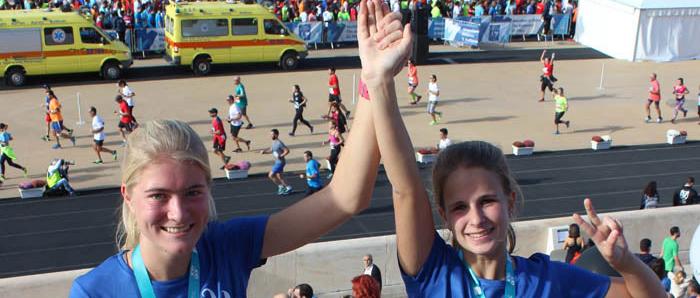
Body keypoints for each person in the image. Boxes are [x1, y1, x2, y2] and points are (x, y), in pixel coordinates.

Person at [355, 1, 665, 296]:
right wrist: (379, 81)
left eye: (487, 200)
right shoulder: (432, 270)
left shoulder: (549, 280)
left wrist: (627, 263)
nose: (476, 218)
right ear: (444, 216)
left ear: (510, 200)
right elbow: (406, 188)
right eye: (460, 207)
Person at [70, 109, 383, 296]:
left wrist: (372, 80)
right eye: (158, 195)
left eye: (192, 192)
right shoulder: (95, 292)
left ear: (208, 189)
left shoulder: (224, 248)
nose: (177, 212)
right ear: (128, 195)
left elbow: (345, 197)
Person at [261, 129, 293, 195]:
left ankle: (281, 187)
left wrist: (281, 156)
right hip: (277, 162)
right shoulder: (273, 142)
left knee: (271, 175)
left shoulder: (279, 143)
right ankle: (288, 188)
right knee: (280, 176)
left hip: (280, 162)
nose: (271, 136)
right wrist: (264, 152)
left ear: (276, 134)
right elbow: (271, 150)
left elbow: (287, 151)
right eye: (270, 134)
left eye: (272, 134)